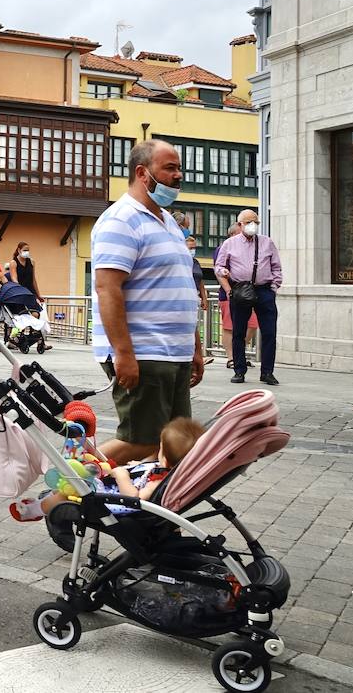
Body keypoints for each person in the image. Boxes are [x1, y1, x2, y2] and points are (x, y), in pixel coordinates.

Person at [91, 140, 204, 466]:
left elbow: (182, 288)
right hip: (144, 352)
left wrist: (194, 346)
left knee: (175, 445)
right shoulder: (121, 220)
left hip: (173, 353)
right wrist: (124, 353)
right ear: (142, 173)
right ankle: (65, 486)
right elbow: (108, 289)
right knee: (140, 442)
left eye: (179, 168)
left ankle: (142, 498)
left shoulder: (168, 222)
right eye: (169, 168)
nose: (178, 175)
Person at [11, 416, 205, 521]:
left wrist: (122, 475)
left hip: (117, 502)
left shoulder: (158, 481)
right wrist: (137, 467)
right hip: (113, 489)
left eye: (160, 449)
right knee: (77, 481)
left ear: (167, 459)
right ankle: (48, 500)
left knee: (73, 490)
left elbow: (136, 499)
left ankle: (36, 510)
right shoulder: (168, 470)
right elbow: (149, 469)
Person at [215, 209, 283, 386]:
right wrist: (228, 286)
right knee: (239, 331)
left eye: (256, 222)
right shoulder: (230, 243)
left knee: (269, 332)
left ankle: (267, 372)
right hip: (240, 290)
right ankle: (239, 370)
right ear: (240, 224)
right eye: (248, 222)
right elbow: (218, 267)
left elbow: (276, 266)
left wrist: (274, 287)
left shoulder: (267, 242)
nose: (253, 225)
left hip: (264, 290)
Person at [215, 223, 258, 370]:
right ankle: (231, 358)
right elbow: (219, 271)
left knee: (252, 324)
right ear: (233, 234)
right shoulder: (224, 248)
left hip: (247, 294)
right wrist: (228, 291)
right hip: (230, 293)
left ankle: (239, 354)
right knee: (229, 327)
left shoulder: (249, 247)